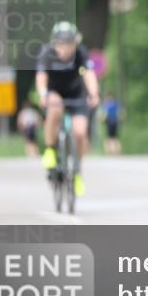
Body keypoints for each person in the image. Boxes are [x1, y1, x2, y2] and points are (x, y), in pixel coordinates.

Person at [36, 21, 99, 196]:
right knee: (54, 108)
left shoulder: (81, 52)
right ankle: (49, 149)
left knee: (80, 133)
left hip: (76, 94)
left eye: (69, 44)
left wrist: (94, 93)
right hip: (55, 92)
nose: (65, 48)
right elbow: (41, 76)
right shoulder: (46, 53)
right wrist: (42, 94)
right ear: (54, 43)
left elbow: (88, 73)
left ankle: (77, 173)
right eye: (61, 44)